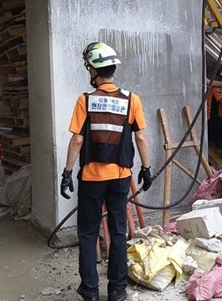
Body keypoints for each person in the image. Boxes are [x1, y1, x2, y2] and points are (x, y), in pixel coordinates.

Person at [60, 42, 153, 301]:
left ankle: (90, 292)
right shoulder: (131, 99)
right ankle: (117, 291)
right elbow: (142, 137)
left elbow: (77, 140)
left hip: (91, 179)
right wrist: (146, 168)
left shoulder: (85, 101)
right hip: (121, 178)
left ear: (93, 70)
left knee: (88, 234)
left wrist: (67, 172)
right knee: (119, 231)